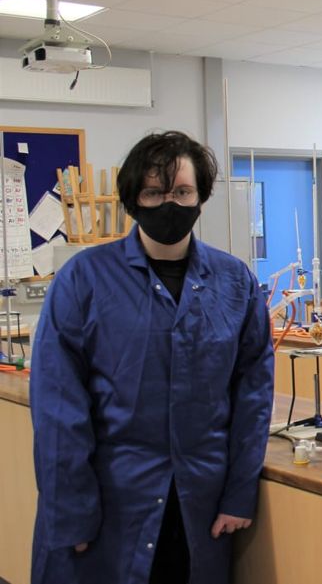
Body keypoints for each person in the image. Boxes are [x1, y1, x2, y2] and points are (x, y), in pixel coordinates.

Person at [30, 131, 274, 584]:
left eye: (182, 191)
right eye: (154, 192)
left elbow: (253, 396)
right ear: (133, 200)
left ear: (200, 198)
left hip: (199, 504)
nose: (170, 203)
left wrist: (240, 493)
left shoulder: (234, 282)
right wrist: (71, 511)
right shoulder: (84, 279)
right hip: (108, 503)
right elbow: (58, 407)